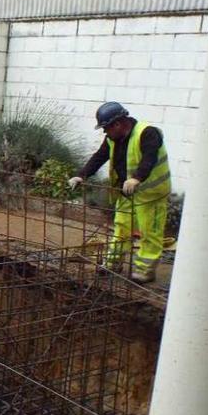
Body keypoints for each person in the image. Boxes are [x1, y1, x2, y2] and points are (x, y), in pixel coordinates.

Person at [68, 101, 170, 283]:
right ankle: (113, 263)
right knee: (121, 227)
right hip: (126, 192)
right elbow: (100, 156)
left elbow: (149, 158)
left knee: (149, 232)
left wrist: (136, 178)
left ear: (117, 124)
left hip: (150, 193)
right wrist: (81, 175)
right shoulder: (112, 138)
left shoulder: (147, 133)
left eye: (106, 128)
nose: (104, 132)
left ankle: (145, 270)